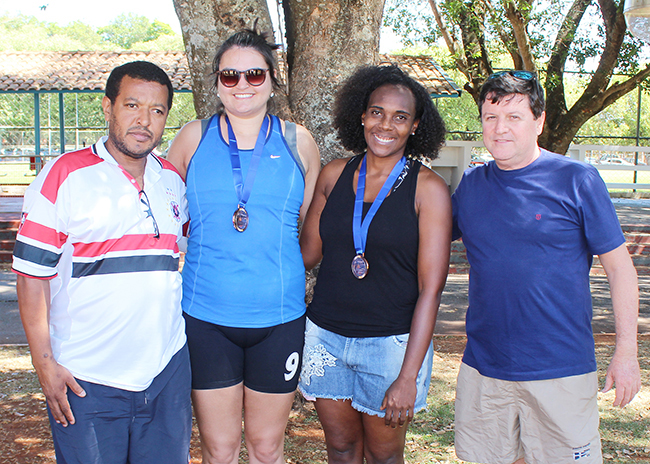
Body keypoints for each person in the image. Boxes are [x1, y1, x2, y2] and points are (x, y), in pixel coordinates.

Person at [452, 70, 641, 464]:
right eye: (491, 117)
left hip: (561, 368)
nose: (500, 128)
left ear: (538, 121)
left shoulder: (577, 179)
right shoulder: (471, 186)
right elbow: (420, 239)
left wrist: (626, 353)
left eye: (514, 117)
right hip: (486, 369)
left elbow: (621, 269)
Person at [13, 61, 191, 463]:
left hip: (166, 375)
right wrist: (44, 367)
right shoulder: (63, 176)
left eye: (158, 110)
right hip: (86, 380)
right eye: (132, 105)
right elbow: (31, 278)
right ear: (108, 107)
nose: (144, 120)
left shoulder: (171, 181)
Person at [166, 27, 320, 464]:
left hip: (280, 318)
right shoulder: (192, 139)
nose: (243, 85)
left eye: (254, 75)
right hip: (206, 318)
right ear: (216, 82)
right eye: (229, 76)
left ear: (273, 79)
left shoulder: (298, 142)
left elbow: (305, 229)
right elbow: (163, 217)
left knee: (266, 448)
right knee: (219, 449)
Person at [298, 64, 451, 464]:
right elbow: (307, 255)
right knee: (341, 449)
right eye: (377, 112)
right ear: (362, 116)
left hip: (391, 347)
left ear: (416, 125)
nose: (386, 124)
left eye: (400, 117)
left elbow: (431, 289)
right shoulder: (333, 175)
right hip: (325, 338)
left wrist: (407, 376)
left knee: (384, 458)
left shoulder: (429, 189)